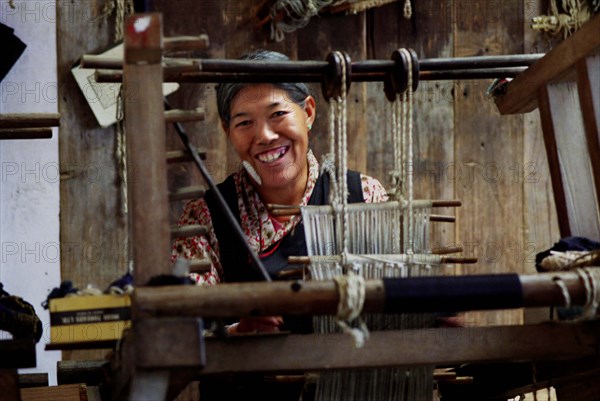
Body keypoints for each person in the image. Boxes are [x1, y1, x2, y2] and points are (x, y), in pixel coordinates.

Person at [172, 49, 388, 336]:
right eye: (245, 122)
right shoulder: (205, 217)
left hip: (350, 377)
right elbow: (181, 328)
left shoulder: (363, 197)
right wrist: (238, 332)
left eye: (278, 114)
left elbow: (397, 306)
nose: (264, 136)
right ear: (227, 130)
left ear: (308, 112)